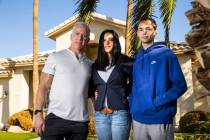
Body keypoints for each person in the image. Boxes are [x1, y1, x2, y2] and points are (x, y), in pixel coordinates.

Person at [128, 18, 187, 140]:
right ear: (137, 33)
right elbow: (135, 86)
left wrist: (158, 102)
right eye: (141, 29)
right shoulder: (137, 57)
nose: (144, 32)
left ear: (155, 31)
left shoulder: (167, 54)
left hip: (160, 117)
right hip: (138, 118)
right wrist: (133, 104)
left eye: (148, 29)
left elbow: (180, 85)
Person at [34, 22, 92, 140]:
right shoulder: (55, 57)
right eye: (77, 34)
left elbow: (92, 93)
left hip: (80, 123)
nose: (79, 38)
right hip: (56, 119)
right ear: (71, 36)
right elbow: (43, 86)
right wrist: (38, 114)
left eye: (84, 36)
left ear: (88, 40)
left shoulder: (91, 64)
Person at [89, 29, 133, 140]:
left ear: (116, 42)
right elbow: (90, 89)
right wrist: (97, 105)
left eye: (110, 40)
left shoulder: (126, 61)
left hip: (120, 114)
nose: (107, 43)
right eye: (104, 40)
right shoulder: (95, 65)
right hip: (100, 115)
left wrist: (123, 95)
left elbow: (134, 84)